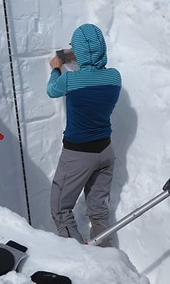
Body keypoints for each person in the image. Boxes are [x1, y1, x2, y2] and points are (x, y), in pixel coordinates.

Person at [47, 24, 122, 245]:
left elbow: (52, 90)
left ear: (78, 51)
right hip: (105, 152)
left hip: (78, 155)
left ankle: (80, 261)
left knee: (60, 210)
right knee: (98, 209)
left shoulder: (70, 81)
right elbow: (93, 73)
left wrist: (56, 68)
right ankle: (106, 256)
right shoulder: (115, 78)